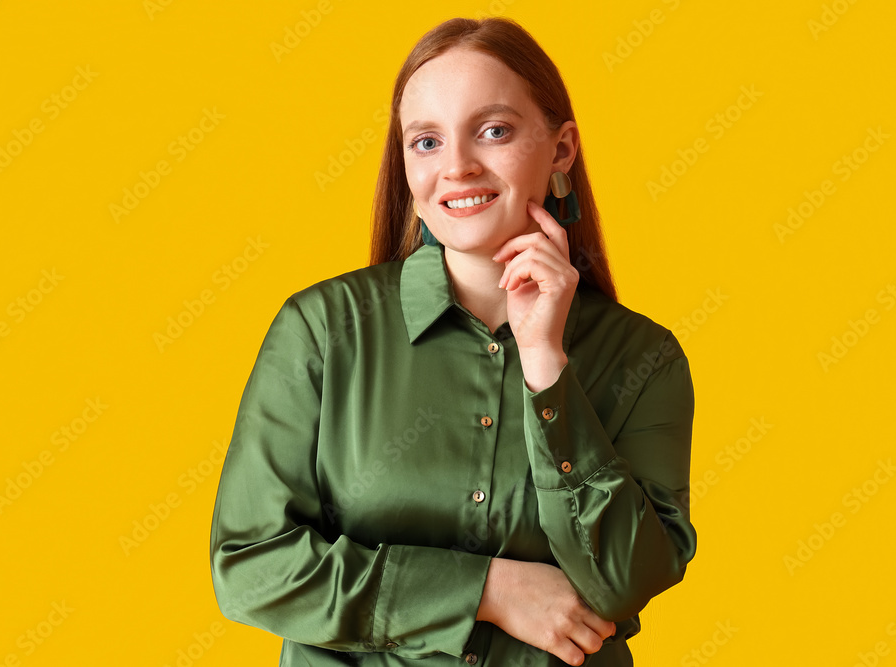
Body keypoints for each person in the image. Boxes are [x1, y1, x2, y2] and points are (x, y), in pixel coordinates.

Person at [209, 16, 696, 667]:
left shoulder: (644, 358)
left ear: (561, 151)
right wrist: (486, 590)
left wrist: (548, 370)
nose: (458, 167)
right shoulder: (322, 330)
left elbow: (622, 581)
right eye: (427, 141)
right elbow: (251, 565)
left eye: (493, 131)